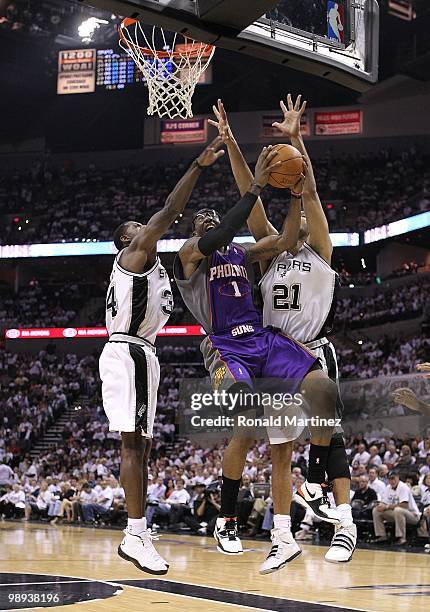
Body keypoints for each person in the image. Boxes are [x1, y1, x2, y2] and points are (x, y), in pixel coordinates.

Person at [174, 138, 339, 569]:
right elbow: (227, 229)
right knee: (245, 422)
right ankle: (226, 518)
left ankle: (316, 482)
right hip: (225, 344)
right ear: (196, 230)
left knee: (324, 389)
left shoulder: (242, 253)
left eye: (212, 214)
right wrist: (257, 184)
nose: (208, 218)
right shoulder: (191, 255)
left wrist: (295, 196)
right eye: (202, 218)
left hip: (264, 339)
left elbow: (284, 240)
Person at [209, 95, 354, 568]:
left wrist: (296, 139)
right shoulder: (273, 250)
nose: (308, 217)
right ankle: (284, 537)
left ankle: (337, 513)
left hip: (311, 351)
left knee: (329, 432)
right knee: (274, 449)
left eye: (311, 214)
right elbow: (247, 194)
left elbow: (307, 189)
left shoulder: (322, 251)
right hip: (272, 355)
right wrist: (233, 145)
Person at [99, 137, 225, 575]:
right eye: (138, 226)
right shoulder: (134, 255)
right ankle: (135, 532)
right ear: (126, 240)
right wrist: (199, 163)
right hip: (129, 351)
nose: (145, 228)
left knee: (142, 447)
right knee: (134, 445)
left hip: (140, 354)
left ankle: (136, 528)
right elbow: (170, 209)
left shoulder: (151, 268)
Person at [372, 470, 420, 545]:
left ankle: (401, 538)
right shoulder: (388, 488)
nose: (392, 481)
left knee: (398, 510)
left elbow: (404, 505)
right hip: (397, 514)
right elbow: (384, 502)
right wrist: (381, 505)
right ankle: (382, 536)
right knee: (376, 510)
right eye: (390, 479)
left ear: (398, 478)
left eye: (393, 478)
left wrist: (387, 506)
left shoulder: (403, 487)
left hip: (413, 515)